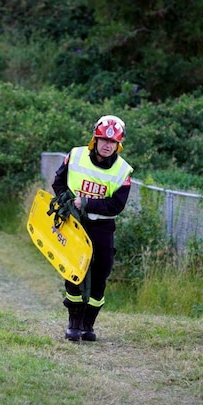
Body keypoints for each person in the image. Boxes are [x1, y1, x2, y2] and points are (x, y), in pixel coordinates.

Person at [52, 115, 133, 342]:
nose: (107, 145)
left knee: (100, 274)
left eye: (113, 142)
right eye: (103, 140)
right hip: (75, 224)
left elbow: (117, 205)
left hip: (102, 228)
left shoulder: (123, 171)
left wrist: (86, 202)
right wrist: (66, 202)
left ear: (118, 144)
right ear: (94, 140)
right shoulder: (75, 155)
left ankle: (88, 325)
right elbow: (58, 182)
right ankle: (74, 323)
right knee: (73, 272)